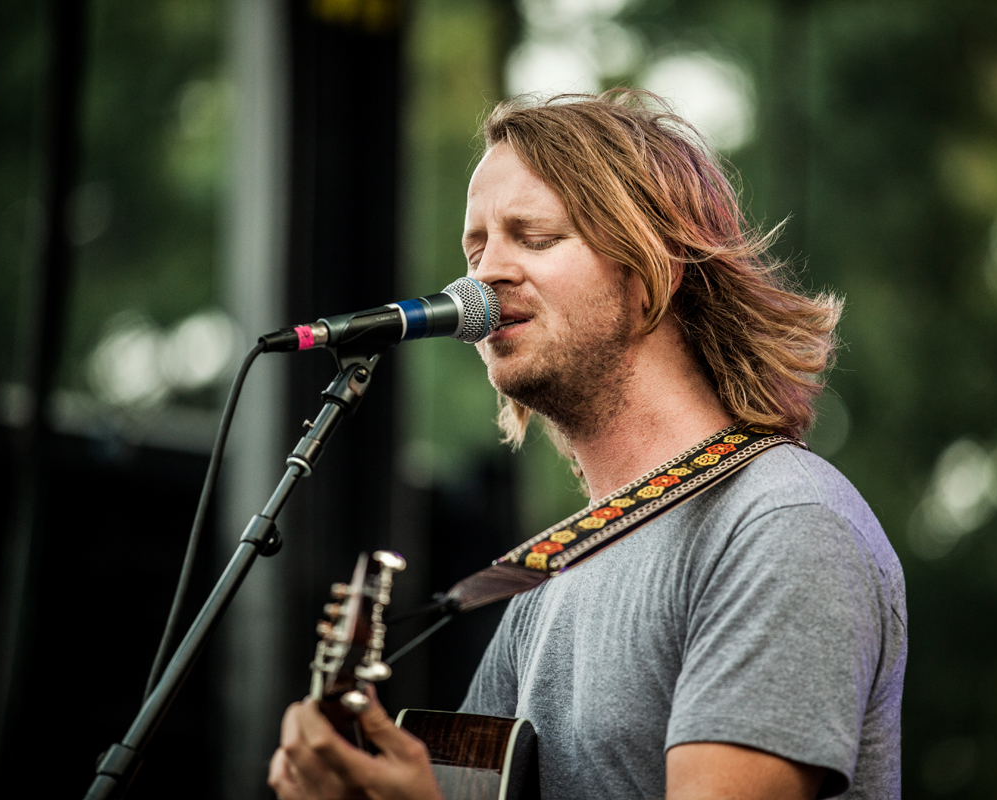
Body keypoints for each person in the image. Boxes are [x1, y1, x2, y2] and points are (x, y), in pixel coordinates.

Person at [268, 90, 907, 800]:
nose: (484, 274)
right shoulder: (545, 586)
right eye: (475, 246)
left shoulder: (783, 524)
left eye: (534, 238)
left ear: (649, 271)